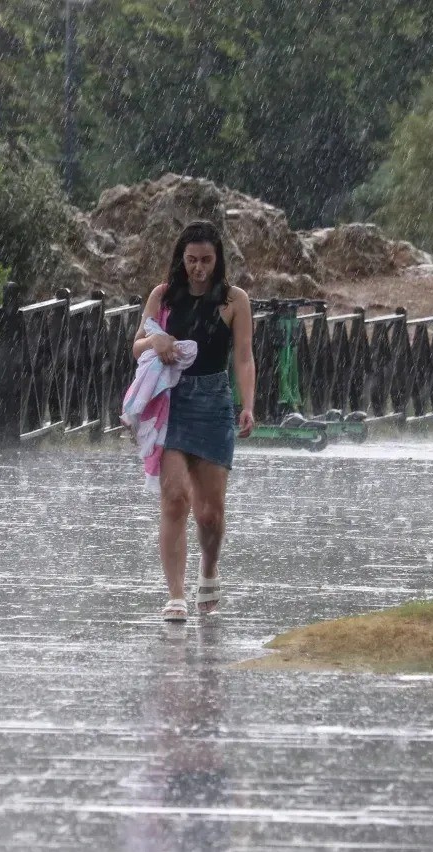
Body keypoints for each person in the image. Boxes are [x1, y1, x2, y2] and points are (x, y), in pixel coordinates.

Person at [131, 220, 255, 621]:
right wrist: (156, 340)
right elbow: (137, 346)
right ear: (180, 260)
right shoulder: (164, 295)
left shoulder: (235, 300)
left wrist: (247, 403)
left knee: (210, 512)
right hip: (173, 400)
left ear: (218, 261)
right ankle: (175, 595)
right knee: (174, 499)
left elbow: (243, 356)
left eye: (205, 260)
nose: (198, 268)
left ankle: (210, 568)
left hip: (214, 402)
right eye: (190, 260)